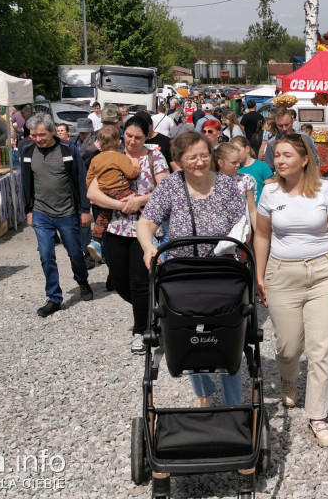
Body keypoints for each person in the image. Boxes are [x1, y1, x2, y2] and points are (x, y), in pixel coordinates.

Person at [254, 134, 328, 448]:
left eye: (287, 155)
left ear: (304, 159)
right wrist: (260, 275)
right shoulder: (268, 193)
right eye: (277, 155)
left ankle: (318, 416)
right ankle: (289, 378)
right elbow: (262, 236)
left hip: (323, 273)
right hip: (282, 274)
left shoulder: (327, 190)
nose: (280, 161)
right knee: (288, 346)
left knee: (321, 349)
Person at [138, 132, 247, 404]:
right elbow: (147, 222)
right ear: (178, 161)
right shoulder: (170, 187)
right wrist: (148, 246)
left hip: (221, 270)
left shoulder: (226, 185)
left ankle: (232, 401)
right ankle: (203, 391)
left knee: (227, 331)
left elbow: (242, 224)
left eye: (204, 155)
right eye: (192, 157)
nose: (200, 162)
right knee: (188, 329)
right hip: (181, 272)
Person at [89, 116, 170, 352]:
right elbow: (93, 193)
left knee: (139, 282)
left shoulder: (154, 155)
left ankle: (141, 330)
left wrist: (140, 201)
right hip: (116, 227)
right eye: (129, 136)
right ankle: (152, 313)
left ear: (147, 136)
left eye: (138, 137)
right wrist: (121, 206)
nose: (132, 141)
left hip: (145, 228)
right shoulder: (112, 154)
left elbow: (165, 190)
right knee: (118, 281)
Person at [21, 115, 94, 317]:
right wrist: (28, 210)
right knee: (46, 255)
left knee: (74, 252)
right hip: (41, 213)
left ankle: (82, 281)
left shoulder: (68, 150)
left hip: (67, 212)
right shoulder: (28, 152)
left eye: (42, 134)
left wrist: (85, 210)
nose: (38, 138)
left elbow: (81, 179)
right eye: (34, 135)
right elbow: (25, 182)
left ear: (52, 131)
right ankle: (54, 298)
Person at [87, 126, 141, 241]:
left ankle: (95, 240)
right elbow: (131, 174)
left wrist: (91, 194)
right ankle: (149, 233)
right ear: (119, 142)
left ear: (100, 145)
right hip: (121, 191)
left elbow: (90, 178)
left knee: (104, 215)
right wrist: (136, 166)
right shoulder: (120, 157)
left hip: (104, 194)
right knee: (141, 204)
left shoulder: (95, 159)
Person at [214, 142, 257, 221]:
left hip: (243, 229)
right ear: (220, 163)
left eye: (238, 161)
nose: (237, 165)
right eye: (234, 162)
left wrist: (257, 232)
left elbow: (252, 209)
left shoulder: (245, 179)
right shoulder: (212, 181)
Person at [231, 136, 273, 204]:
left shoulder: (262, 166)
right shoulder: (234, 169)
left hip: (259, 210)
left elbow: (271, 190)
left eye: (238, 150)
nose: (235, 154)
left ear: (247, 149)